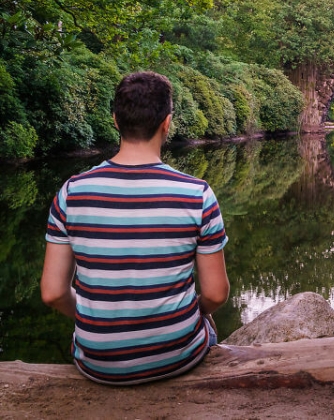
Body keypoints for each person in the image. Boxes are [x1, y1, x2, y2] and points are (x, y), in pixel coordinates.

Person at [41, 71, 230, 385]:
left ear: (115, 120)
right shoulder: (197, 195)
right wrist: (190, 312)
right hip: (176, 356)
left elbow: (52, 293)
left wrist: (94, 318)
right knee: (206, 323)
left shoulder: (71, 192)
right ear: (166, 122)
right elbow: (216, 293)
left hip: (97, 363)